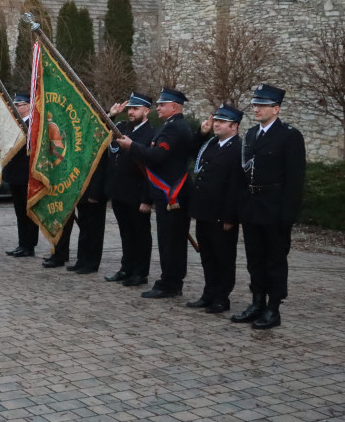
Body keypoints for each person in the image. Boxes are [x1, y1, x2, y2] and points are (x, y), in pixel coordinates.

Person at [232, 84, 306, 329]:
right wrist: (241, 206)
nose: (257, 109)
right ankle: (257, 303)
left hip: (274, 207)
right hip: (252, 206)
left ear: (276, 108)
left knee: (275, 260)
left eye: (262, 105)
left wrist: (288, 215)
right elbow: (243, 174)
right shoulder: (251, 135)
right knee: (255, 259)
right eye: (255, 104)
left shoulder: (289, 136)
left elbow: (295, 179)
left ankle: (273, 308)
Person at [115, 87, 193, 299]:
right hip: (165, 193)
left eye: (162, 104)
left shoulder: (175, 127)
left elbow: (157, 156)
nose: (158, 107)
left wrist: (132, 146)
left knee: (171, 242)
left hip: (172, 194)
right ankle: (169, 281)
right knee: (167, 241)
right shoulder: (169, 125)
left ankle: (170, 283)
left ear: (174, 106)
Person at [188, 104, 245, 314]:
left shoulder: (238, 148)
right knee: (208, 256)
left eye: (221, 121)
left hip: (222, 214)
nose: (216, 124)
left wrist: (230, 216)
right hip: (204, 211)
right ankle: (208, 293)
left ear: (234, 126)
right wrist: (201, 134)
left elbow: (236, 186)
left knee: (224, 257)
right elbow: (191, 153)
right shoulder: (211, 143)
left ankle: (222, 297)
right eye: (216, 120)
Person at [105, 93, 155, 286]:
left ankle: (140, 273)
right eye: (129, 109)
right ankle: (126, 268)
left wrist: (147, 199)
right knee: (126, 233)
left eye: (135, 109)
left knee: (140, 234)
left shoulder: (151, 134)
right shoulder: (122, 127)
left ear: (146, 111)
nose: (131, 112)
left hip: (137, 193)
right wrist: (111, 115)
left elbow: (152, 169)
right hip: (119, 191)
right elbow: (100, 132)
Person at [5, 93, 39, 258]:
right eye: (15, 105)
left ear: (27, 106)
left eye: (18, 105)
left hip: (26, 175)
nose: (16, 108)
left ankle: (29, 245)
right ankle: (22, 243)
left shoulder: (32, 124)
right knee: (19, 212)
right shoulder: (16, 123)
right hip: (14, 175)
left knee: (28, 213)